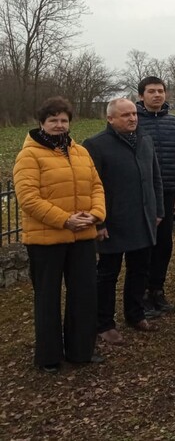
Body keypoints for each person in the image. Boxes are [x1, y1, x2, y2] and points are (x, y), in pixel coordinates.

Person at [13, 97, 106, 373]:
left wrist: (96, 214)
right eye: (53, 120)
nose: (59, 125)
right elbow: (28, 198)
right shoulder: (29, 155)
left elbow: (97, 186)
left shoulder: (80, 152)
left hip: (83, 237)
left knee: (84, 294)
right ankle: (49, 356)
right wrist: (64, 220)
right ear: (42, 123)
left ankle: (81, 350)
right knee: (48, 297)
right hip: (47, 239)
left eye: (63, 120)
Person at [84, 99, 164, 344]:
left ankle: (135, 313)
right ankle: (104, 324)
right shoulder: (96, 145)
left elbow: (155, 178)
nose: (132, 118)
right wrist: (98, 223)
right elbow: (90, 187)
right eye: (125, 115)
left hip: (143, 218)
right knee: (108, 274)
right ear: (110, 119)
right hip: (113, 221)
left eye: (134, 114)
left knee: (140, 270)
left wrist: (158, 209)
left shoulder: (145, 141)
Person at [136, 77, 175, 315]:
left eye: (160, 91)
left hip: (169, 191)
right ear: (141, 96)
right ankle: (141, 294)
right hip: (143, 194)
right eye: (151, 91)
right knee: (145, 245)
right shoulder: (134, 123)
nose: (157, 95)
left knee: (165, 244)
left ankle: (157, 290)